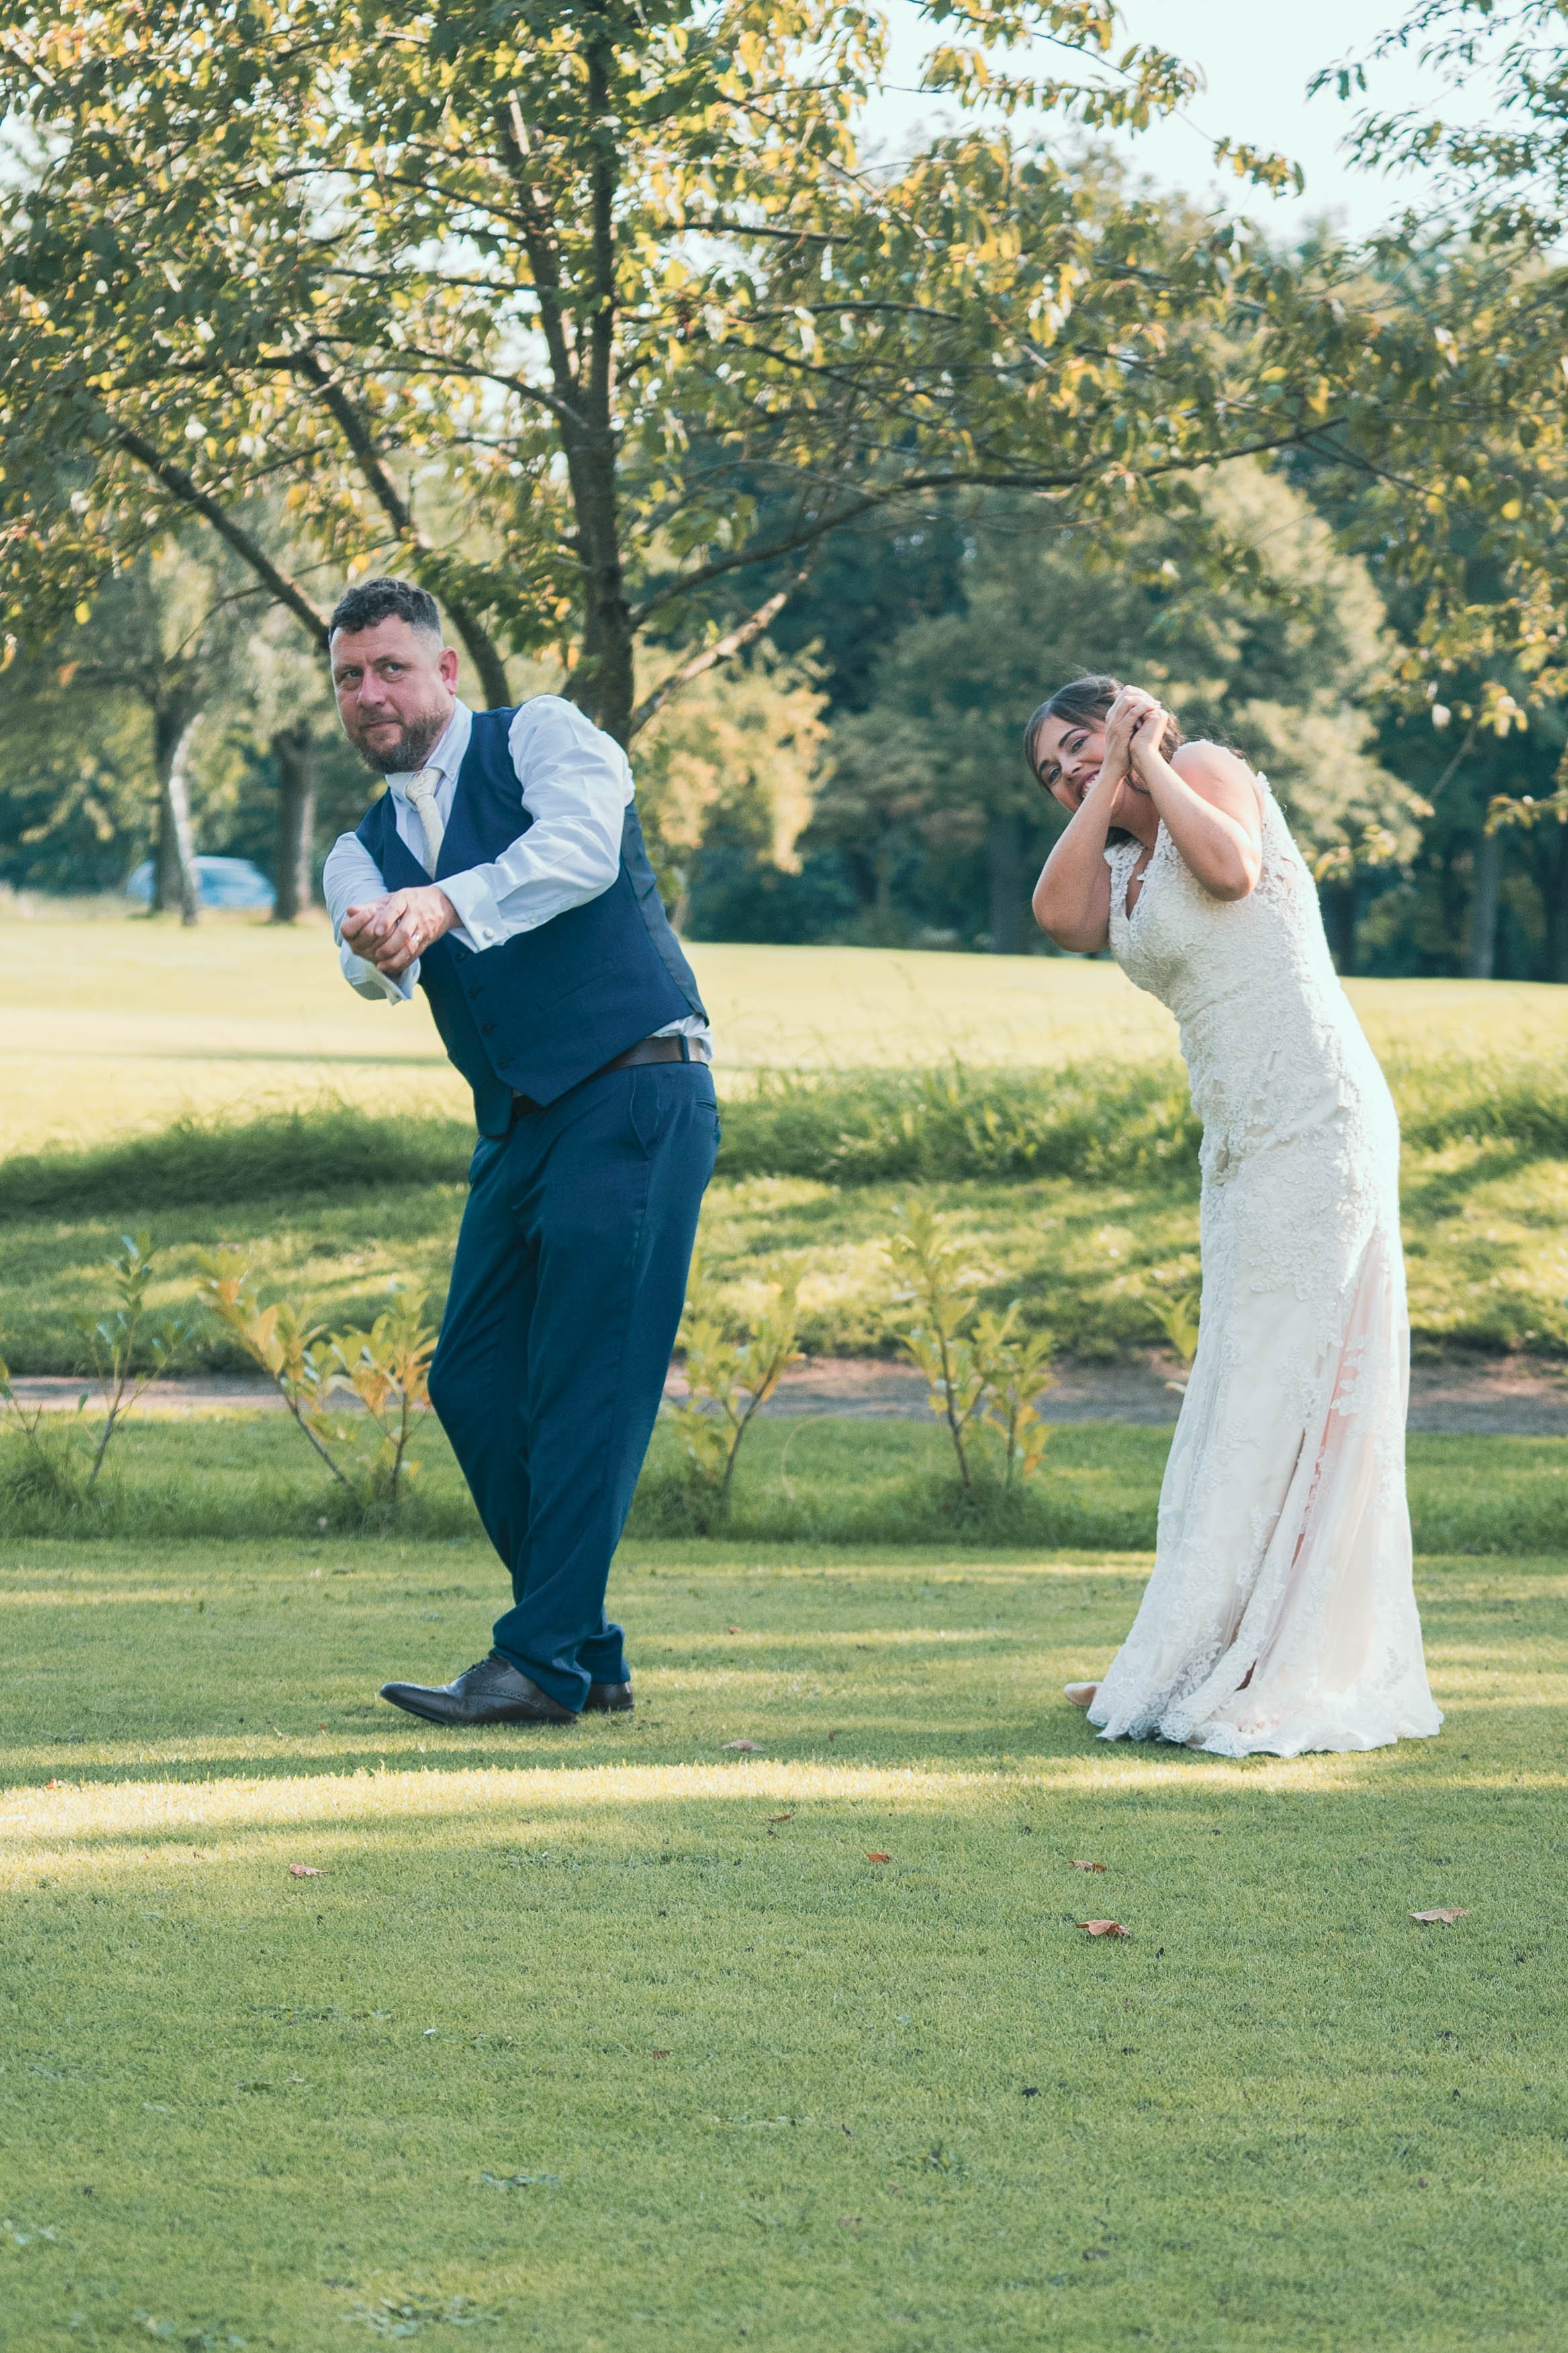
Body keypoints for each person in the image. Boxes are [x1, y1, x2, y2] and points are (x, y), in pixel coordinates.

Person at [321, 578, 719, 1728]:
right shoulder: (362, 846)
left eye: (391, 667)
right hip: (522, 1123)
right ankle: (586, 1648)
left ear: (446, 671)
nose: (369, 693)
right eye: (349, 677)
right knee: (474, 1378)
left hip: (637, 1082)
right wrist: (377, 932)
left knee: (589, 1376)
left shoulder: (541, 734)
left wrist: (441, 904)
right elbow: (363, 956)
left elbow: (584, 852)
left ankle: (541, 1663)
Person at [1028, 674, 1441, 1757]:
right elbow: (1058, 919)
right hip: (1241, 1140)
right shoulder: (1113, 863)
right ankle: (1197, 1644)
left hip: (1315, 1113)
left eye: (1078, 740)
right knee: (1240, 1383)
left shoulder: (1207, 769)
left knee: (1286, 1379)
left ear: (1127, 719)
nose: (1069, 766)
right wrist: (1103, 784)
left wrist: (1151, 757)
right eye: (1050, 768)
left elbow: (1233, 868)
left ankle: (1265, 1658)